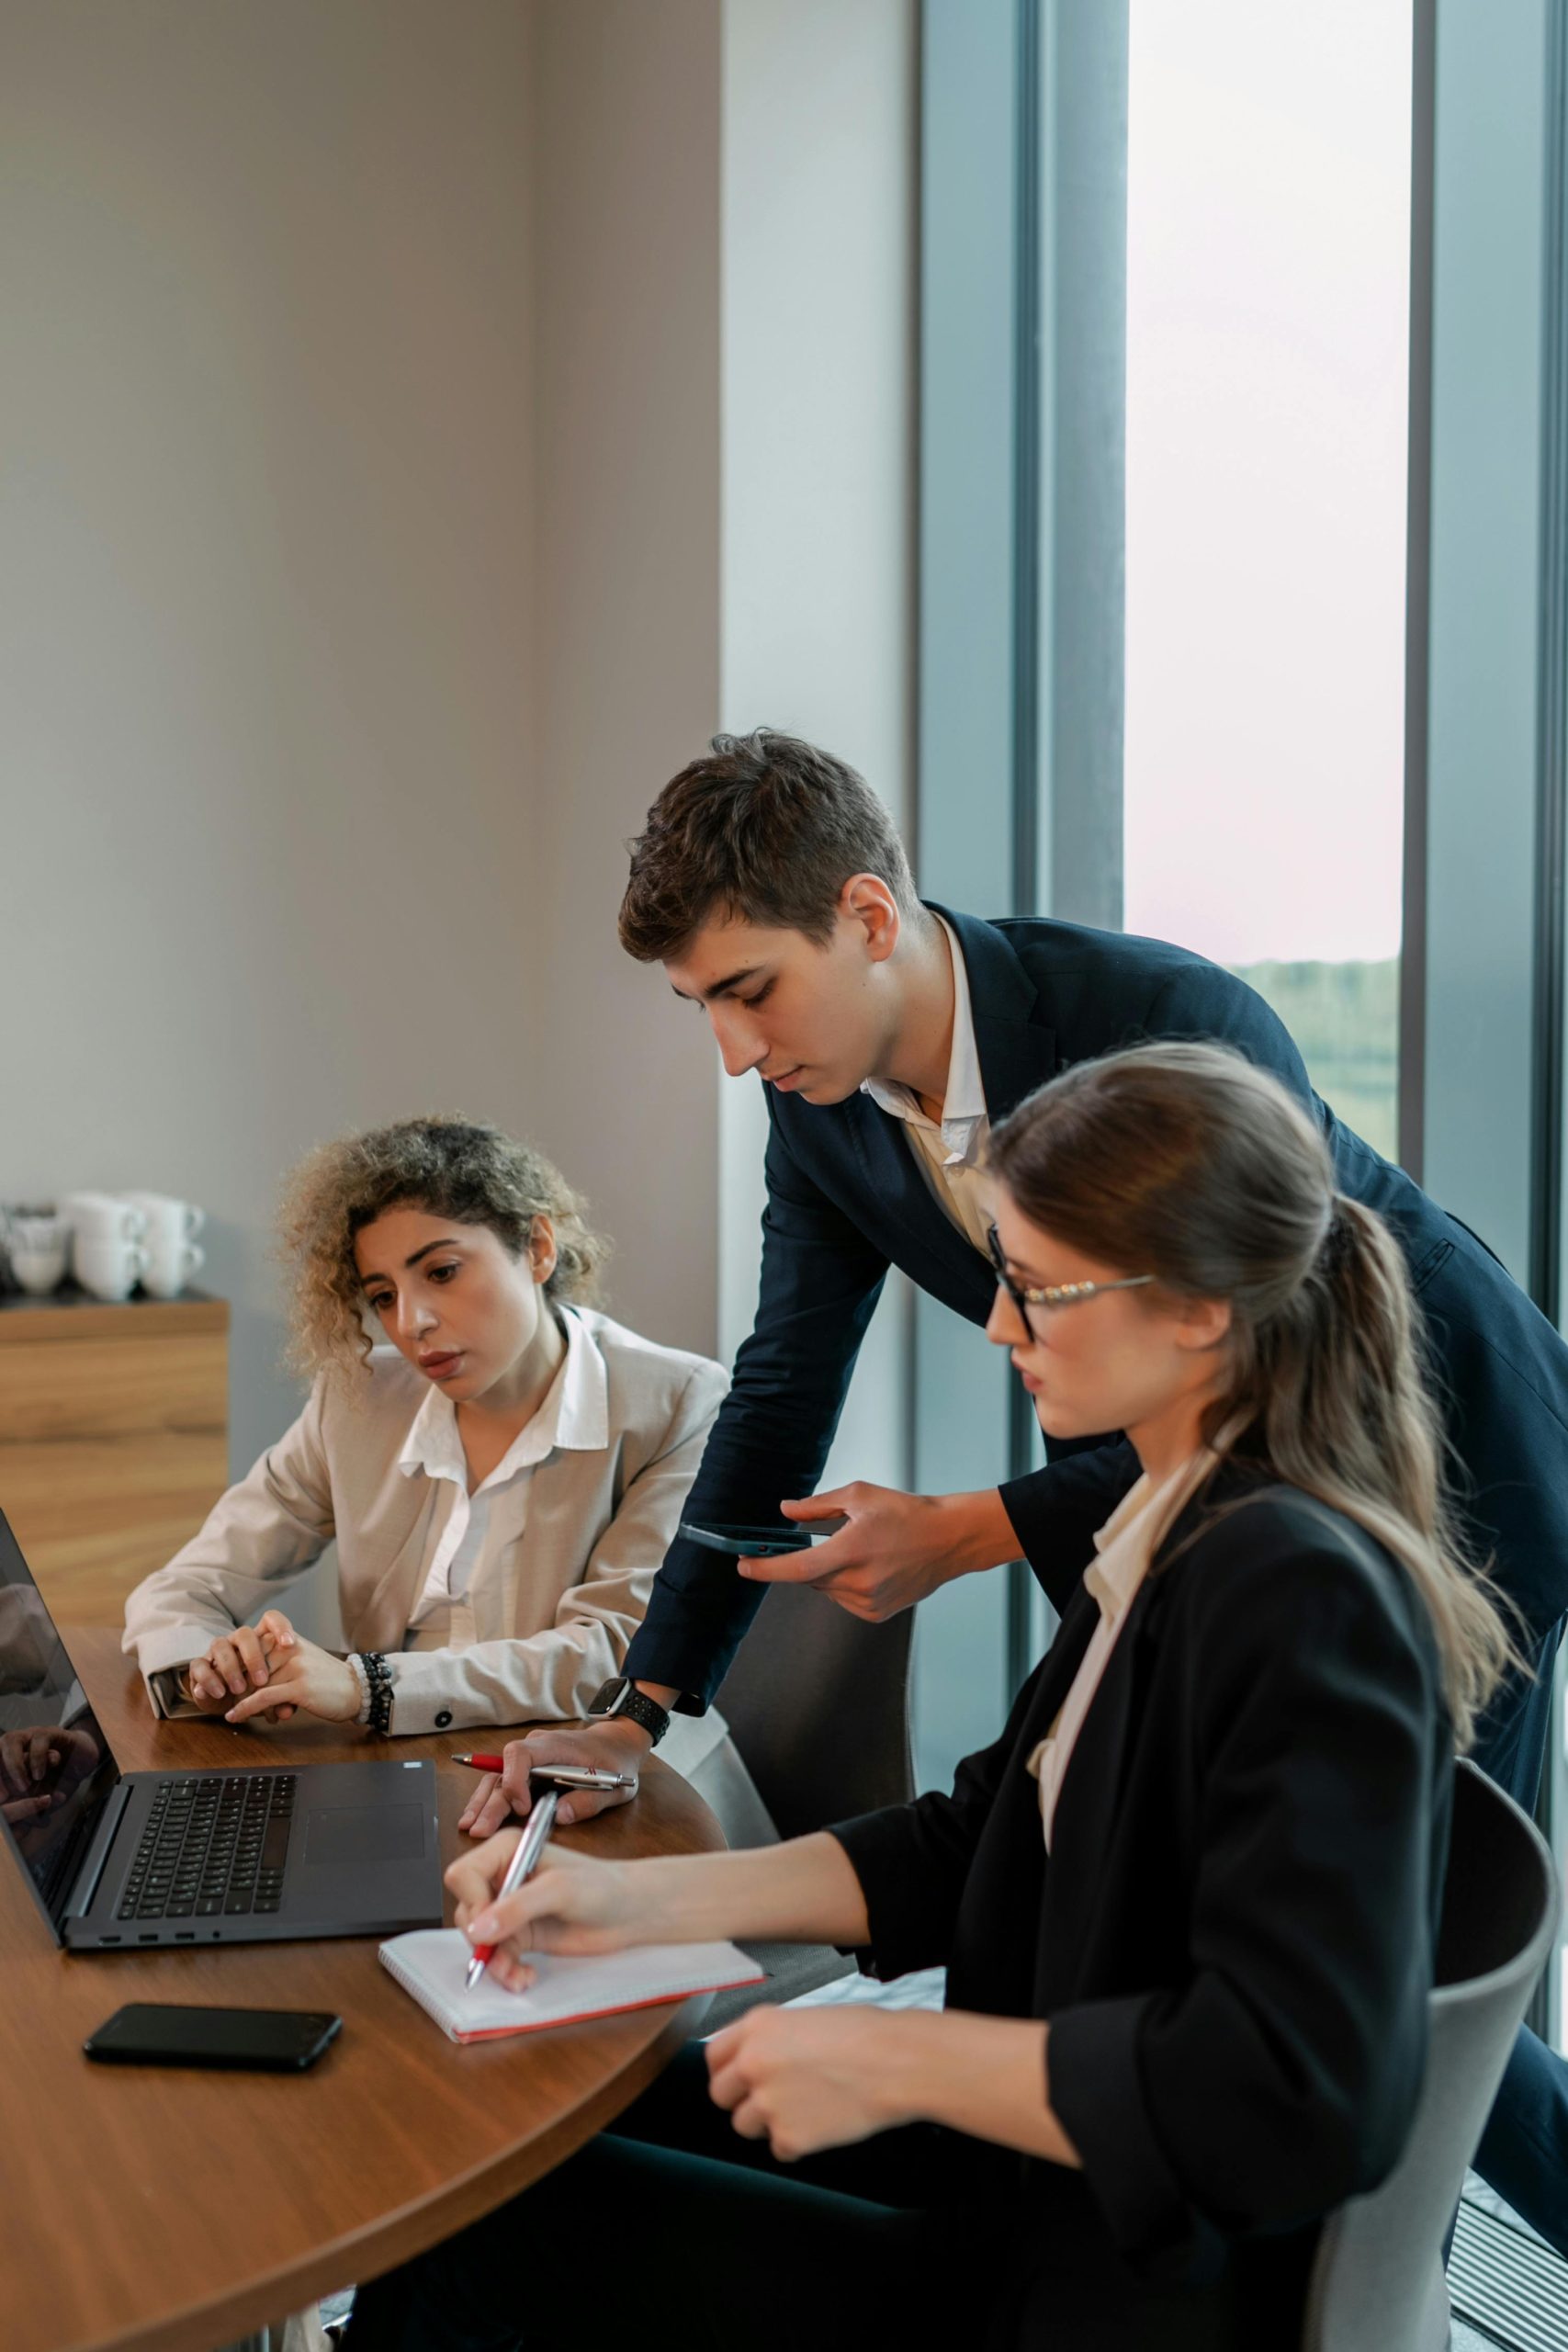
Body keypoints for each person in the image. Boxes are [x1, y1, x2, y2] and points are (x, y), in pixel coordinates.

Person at [463, 729, 1568, 2249]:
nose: (731, 1050)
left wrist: (974, 1529)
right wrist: (645, 1701)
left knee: (1411, 1952)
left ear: (863, 917)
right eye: (697, 1006)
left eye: (746, 991)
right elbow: (781, 1388)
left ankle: (1355, 2290)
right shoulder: (826, 1106)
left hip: (1443, 1448)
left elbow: (1249, 1315)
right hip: (1175, 1476)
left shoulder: (1158, 1022)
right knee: (1156, 1876)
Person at [344, 1042, 1517, 2352]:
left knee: (472, 2224)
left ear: (1195, 1308)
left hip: (1101, 2279)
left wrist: (892, 2059)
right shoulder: (1168, 1526)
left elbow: (1290, 2093)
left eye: (1035, 1289)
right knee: (499, 2154)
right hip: (1015, 2179)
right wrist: (625, 1903)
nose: (1002, 1327)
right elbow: (967, 1846)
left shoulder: (1291, 1590)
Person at [121, 1115, 752, 1822]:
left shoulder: (679, 1403)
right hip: (404, 1783)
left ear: (538, 1248)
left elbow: (609, 1654)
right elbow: (185, 1587)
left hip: (612, 1788)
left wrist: (368, 1688)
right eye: (383, 1295)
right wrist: (206, 1667)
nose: (411, 1321)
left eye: (442, 1272)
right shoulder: (356, 1402)